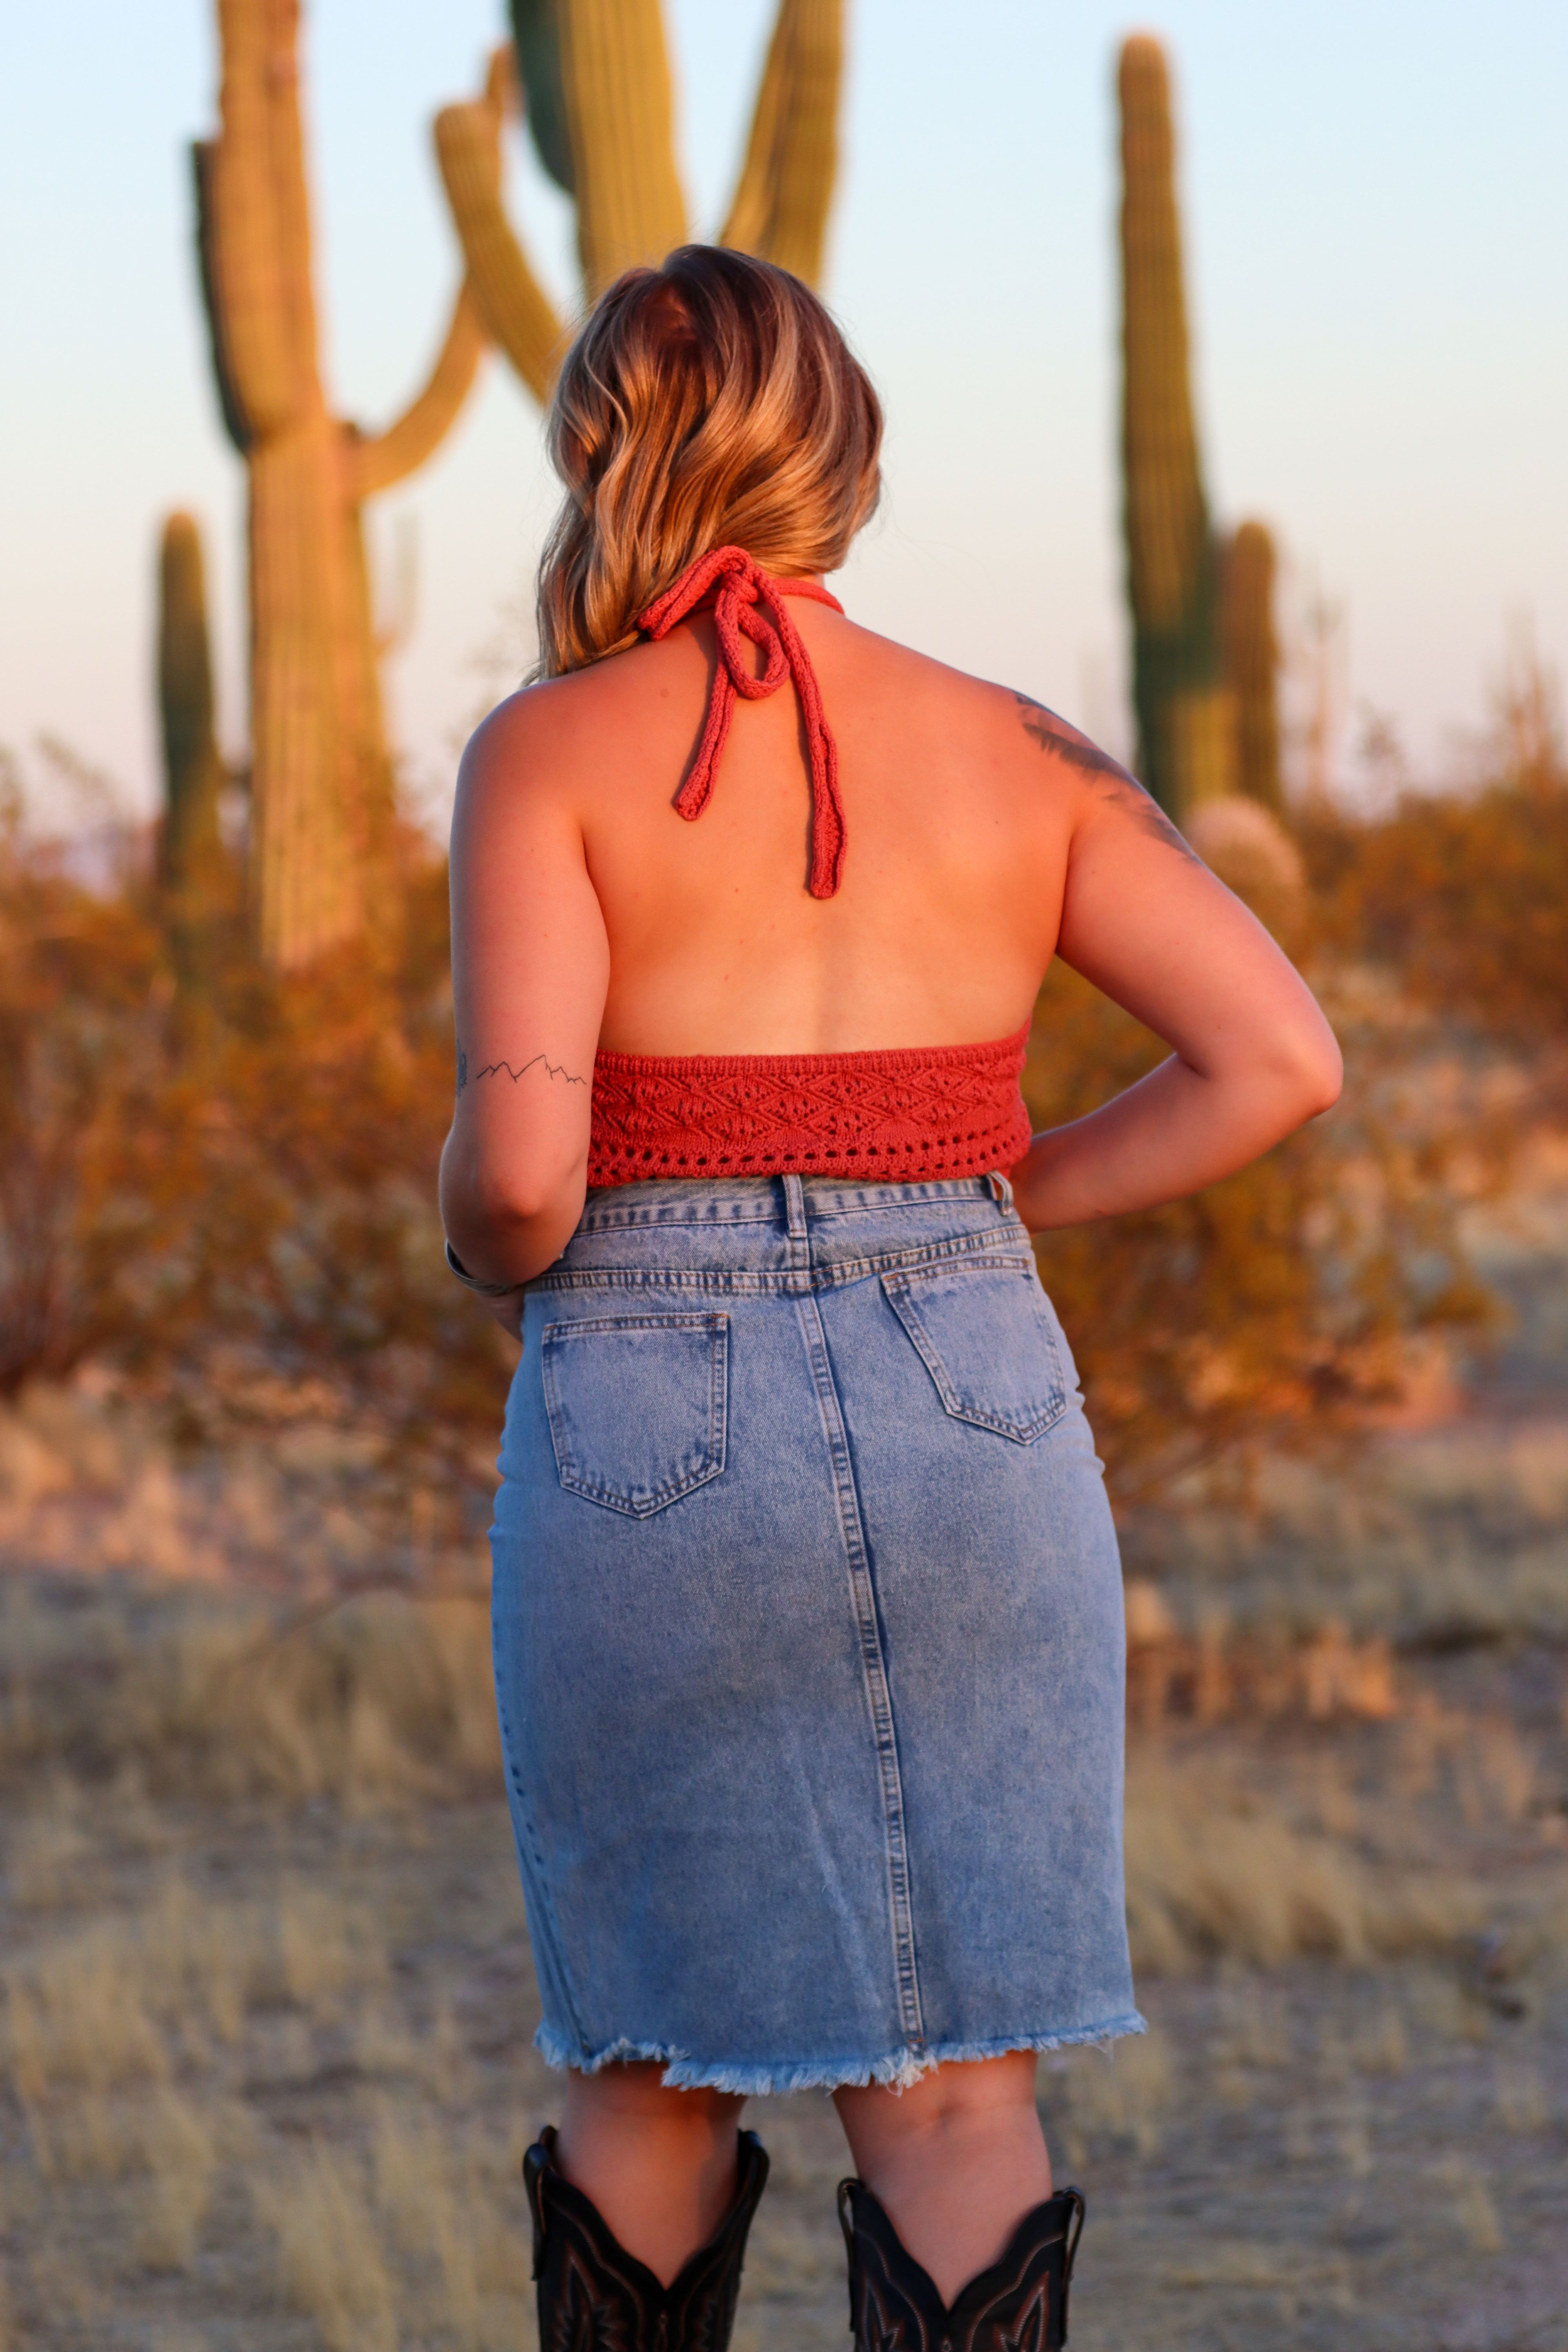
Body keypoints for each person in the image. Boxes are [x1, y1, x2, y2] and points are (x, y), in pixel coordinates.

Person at [439, 245, 1341, 2352]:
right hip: (978, 1394)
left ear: (603, 449)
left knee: (651, 2067)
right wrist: (1001, 1184)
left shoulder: (550, 751)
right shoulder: (1016, 746)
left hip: (649, 1409)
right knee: (950, 2088)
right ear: (840, 457)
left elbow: (517, 1175)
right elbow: (1279, 1059)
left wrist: (491, 1249)